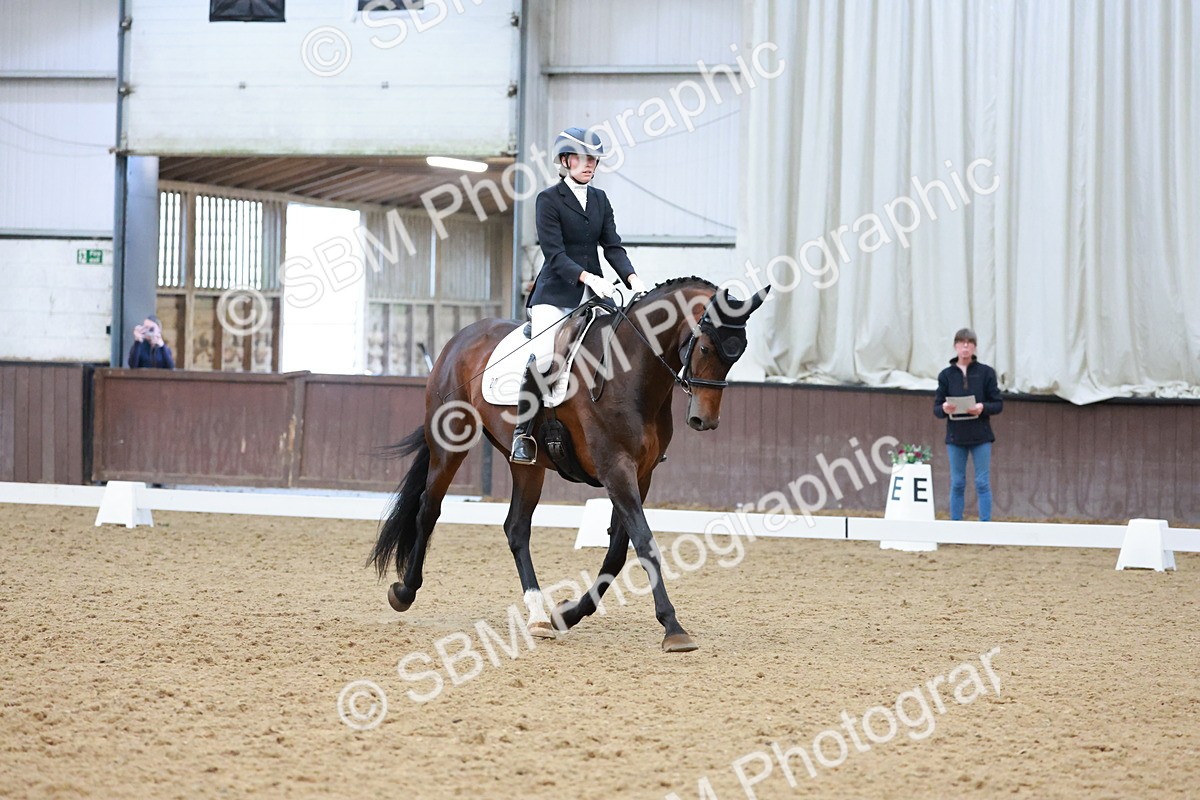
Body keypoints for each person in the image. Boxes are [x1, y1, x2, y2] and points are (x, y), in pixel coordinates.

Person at [510, 126, 648, 464]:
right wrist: (587, 276)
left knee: (623, 349)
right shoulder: (548, 200)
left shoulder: (600, 199)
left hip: (596, 295)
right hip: (556, 294)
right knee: (545, 358)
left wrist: (633, 280)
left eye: (594, 160)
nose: (590, 165)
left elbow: (612, 246)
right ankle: (523, 434)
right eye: (584, 158)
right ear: (565, 160)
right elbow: (554, 254)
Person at [933, 328, 1002, 520]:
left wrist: (982, 407)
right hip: (956, 436)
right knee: (957, 483)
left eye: (969, 343)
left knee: (982, 482)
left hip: (981, 436)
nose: (965, 347)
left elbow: (998, 404)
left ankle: (984, 526)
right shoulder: (946, 375)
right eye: (961, 343)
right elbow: (937, 408)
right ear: (955, 346)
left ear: (974, 347)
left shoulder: (986, 373)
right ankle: (956, 526)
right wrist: (945, 408)